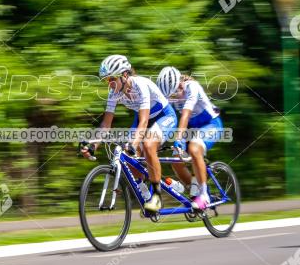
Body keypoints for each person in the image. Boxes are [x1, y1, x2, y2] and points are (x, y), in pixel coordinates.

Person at [80, 55, 176, 213]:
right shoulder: (114, 93)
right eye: (106, 80)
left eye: (112, 79)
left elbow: (144, 122)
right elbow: (106, 125)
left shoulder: (141, 85)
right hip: (142, 119)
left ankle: (157, 197)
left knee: (148, 144)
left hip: (164, 116)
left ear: (125, 75)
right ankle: (152, 185)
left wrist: (134, 143)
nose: (109, 84)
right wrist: (94, 144)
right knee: (126, 158)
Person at [156, 66, 223, 210]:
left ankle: (204, 195)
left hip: (211, 124)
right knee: (176, 161)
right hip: (191, 129)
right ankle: (194, 193)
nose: (172, 97)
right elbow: (168, 118)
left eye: (174, 92)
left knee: (194, 148)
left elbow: (185, 114)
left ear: (180, 84)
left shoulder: (192, 87)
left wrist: (179, 139)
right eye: (169, 95)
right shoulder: (170, 94)